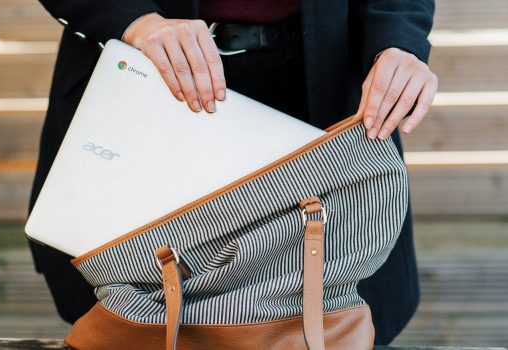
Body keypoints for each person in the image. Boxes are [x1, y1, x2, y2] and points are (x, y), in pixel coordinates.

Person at [29, 0, 437, 345]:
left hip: (324, 93)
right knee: (128, 323)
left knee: (334, 321)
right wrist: (135, 20)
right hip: (153, 78)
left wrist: (399, 41)